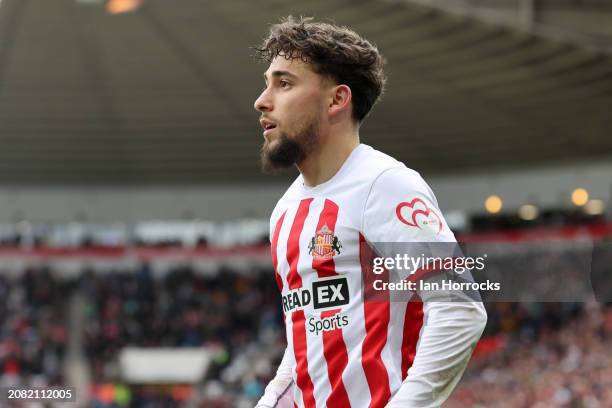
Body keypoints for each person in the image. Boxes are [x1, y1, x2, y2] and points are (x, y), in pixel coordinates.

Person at [252, 16, 487, 408]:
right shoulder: (285, 211)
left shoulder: (385, 184)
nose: (262, 100)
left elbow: (459, 309)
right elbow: (305, 342)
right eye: (267, 83)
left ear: (337, 100)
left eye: (284, 83)